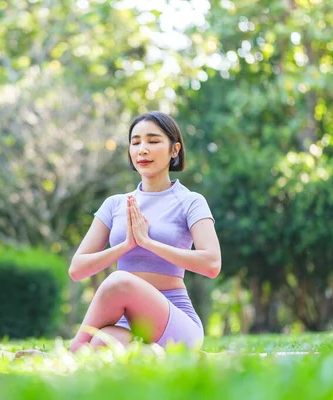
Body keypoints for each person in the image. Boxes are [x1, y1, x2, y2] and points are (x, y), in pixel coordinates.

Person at [66, 111, 221, 352]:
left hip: (175, 323)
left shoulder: (191, 201)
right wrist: (125, 246)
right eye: (135, 142)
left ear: (174, 150)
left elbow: (211, 264)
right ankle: (160, 356)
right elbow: (77, 269)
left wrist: (148, 242)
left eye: (153, 140)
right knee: (100, 345)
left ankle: (71, 351)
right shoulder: (115, 204)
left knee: (119, 281)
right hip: (125, 325)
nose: (142, 149)